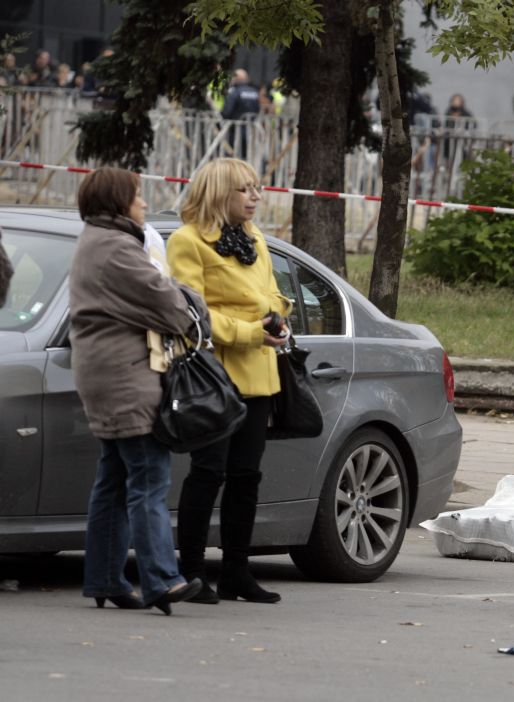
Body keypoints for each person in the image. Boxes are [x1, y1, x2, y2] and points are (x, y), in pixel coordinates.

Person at [68, 168, 204, 614]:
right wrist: (189, 303)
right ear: (118, 202)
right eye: (139, 196)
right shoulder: (118, 249)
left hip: (104, 372)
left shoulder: (97, 241)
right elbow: (167, 303)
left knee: (113, 478)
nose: (144, 204)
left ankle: (106, 579)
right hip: (127, 375)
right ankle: (162, 579)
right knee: (148, 477)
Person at [167, 158, 292, 605]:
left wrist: (279, 318)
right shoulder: (187, 242)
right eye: (245, 189)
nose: (256, 197)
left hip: (259, 372)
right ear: (220, 193)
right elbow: (189, 315)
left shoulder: (254, 237)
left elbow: (272, 293)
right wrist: (250, 330)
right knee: (207, 473)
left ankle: (238, 570)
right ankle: (193, 570)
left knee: (247, 476)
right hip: (214, 375)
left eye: (257, 188)